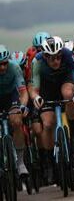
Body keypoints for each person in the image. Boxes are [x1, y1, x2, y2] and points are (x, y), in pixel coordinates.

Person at [28, 36, 74, 181]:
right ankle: (49, 161)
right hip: (47, 89)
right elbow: (33, 88)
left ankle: (73, 135)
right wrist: (36, 97)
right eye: (52, 58)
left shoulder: (68, 55)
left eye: (58, 57)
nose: (56, 61)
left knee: (68, 94)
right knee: (48, 124)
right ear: (45, 56)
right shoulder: (37, 61)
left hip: (65, 83)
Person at [0, 45, 29, 176]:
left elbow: (23, 92)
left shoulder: (14, 67)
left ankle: (21, 162)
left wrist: (22, 106)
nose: (2, 67)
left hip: (11, 96)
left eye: (5, 63)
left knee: (17, 121)